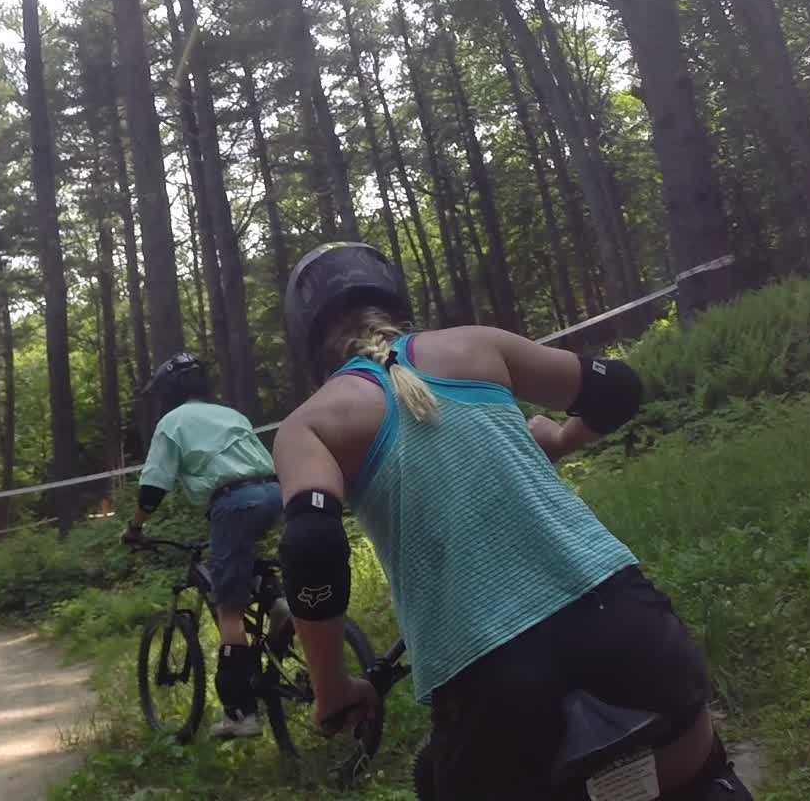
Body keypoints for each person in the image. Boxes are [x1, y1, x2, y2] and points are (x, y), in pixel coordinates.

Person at [270, 242, 751, 799]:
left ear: (307, 335)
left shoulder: (309, 425)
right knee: (702, 780)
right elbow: (619, 387)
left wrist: (331, 690)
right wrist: (562, 439)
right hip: (625, 625)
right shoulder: (476, 344)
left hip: (491, 683)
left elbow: (311, 548)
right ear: (394, 298)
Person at [121, 352, 281, 740]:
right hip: (274, 493)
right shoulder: (230, 414)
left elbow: (153, 487)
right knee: (244, 569)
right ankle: (281, 610)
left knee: (230, 607)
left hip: (232, 502)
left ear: (170, 393)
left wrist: (136, 528)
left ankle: (241, 715)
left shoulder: (172, 422)